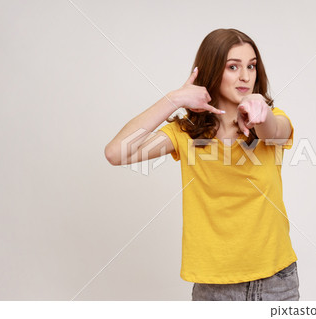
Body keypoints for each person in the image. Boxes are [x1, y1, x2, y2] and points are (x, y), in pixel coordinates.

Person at [104, 28, 300, 301]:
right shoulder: (185, 133)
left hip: (274, 281)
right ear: (213, 70)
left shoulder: (273, 120)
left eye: (251, 66)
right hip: (212, 287)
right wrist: (175, 99)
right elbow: (116, 153)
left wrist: (260, 109)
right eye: (233, 66)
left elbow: (273, 130)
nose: (245, 76)